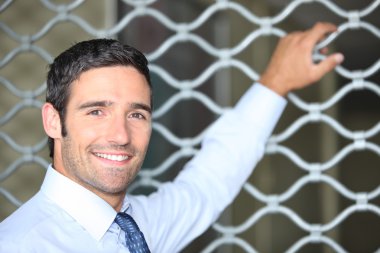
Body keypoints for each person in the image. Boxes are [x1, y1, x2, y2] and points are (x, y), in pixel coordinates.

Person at [0, 22, 343, 253]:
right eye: (96, 111)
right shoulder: (19, 245)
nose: (121, 136)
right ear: (52, 121)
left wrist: (276, 82)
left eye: (136, 114)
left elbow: (208, 183)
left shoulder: (140, 224)